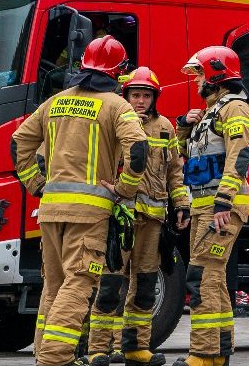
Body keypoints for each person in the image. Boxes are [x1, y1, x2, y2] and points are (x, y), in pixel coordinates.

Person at [12, 34, 150, 366]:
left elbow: (19, 143)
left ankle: (42, 354)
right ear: (117, 73)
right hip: (89, 214)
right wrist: (125, 189)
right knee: (79, 283)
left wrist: (36, 184)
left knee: (54, 286)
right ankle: (56, 358)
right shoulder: (117, 106)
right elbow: (138, 149)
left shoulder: (54, 102)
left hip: (50, 210)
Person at [87, 66, 188, 366]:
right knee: (109, 286)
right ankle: (97, 350)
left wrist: (181, 204)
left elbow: (174, 173)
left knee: (144, 287)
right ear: (125, 96)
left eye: (146, 95)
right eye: (135, 95)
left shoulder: (166, 128)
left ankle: (134, 348)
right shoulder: (113, 123)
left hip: (153, 221)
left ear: (154, 97)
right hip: (120, 220)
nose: (140, 101)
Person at [180, 46, 249, 366]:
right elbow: (182, 153)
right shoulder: (209, 113)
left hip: (220, 208)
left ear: (216, 74)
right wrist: (184, 123)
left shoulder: (235, 108)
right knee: (214, 277)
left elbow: (240, 157)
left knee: (202, 277)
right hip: (204, 207)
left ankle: (204, 352)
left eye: (199, 73)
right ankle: (219, 353)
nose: (195, 80)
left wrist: (223, 202)